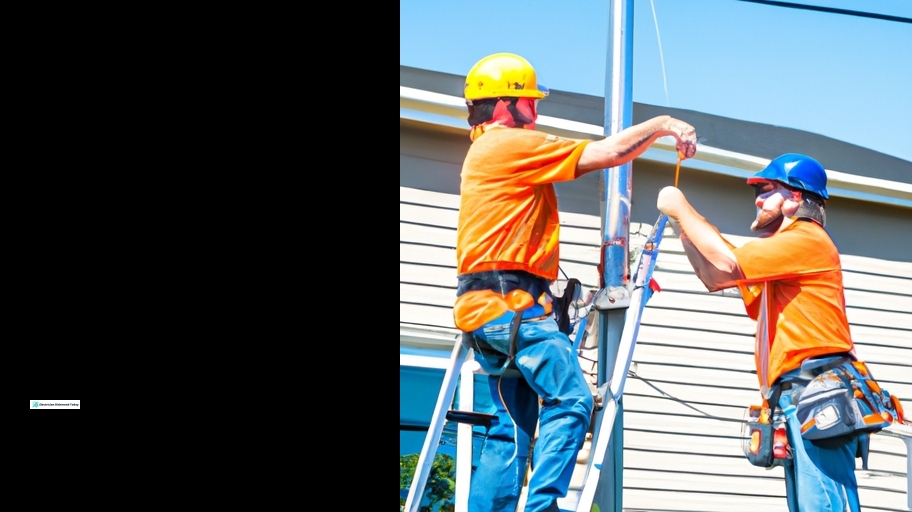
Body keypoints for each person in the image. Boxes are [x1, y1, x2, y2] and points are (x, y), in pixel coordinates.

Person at [453, 52, 697, 512]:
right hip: (514, 310)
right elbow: (607, 153)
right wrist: (664, 124)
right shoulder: (508, 144)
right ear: (507, 105)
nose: (536, 111)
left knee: (510, 428)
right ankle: (542, 507)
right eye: (530, 101)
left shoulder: (482, 151)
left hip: (485, 314)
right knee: (572, 401)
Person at [656, 153, 868, 511]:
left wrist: (683, 208)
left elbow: (727, 261)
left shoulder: (807, 239)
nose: (756, 199)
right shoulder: (781, 261)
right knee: (807, 503)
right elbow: (717, 276)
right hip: (796, 392)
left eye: (766, 190)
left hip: (817, 389)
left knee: (824, 502)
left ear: (796, 197)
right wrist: (684, 226)